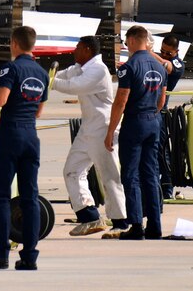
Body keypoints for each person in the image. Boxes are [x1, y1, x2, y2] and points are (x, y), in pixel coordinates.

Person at [0, 26, 48, 271]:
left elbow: (2, 100)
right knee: (30, 197)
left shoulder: (11, 68)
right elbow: (38, 111)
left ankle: (0, 255)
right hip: (30, 135)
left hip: (10, 136)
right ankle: (29, 255)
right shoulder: (41, 72)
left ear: (14, 44)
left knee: (1, 196)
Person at [53, 36, 127, 236]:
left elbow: (73, 86)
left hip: (103, 128)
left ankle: (120, 221)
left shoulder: (98, 70)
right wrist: (45, 76)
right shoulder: (81, 67)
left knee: (109, 175)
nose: (74, 51)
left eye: (77, 48)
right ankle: (89, 216)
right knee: (72, 170)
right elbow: (65, 75)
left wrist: (49, 81)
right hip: (88, 128)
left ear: (87, 49)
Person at [104, 25, 167, 240]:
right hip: (153, 121)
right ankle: (155, 225)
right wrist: (152, 114)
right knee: (150, 173)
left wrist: (111, 130)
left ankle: (136, 225)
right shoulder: (159, 67)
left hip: (135, 122)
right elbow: (162, 100)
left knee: (130, 175)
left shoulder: (128, 67)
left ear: (131, 41)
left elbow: (121, 100)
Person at [156, 34, 185, 199]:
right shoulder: (158, 58)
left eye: (169, 53)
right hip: (147, 111)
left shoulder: (178, 64)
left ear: (176, 52)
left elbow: (167, 65)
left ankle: (167, 188)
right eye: (162, 51)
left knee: (162, 150)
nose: (164, 55)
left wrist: (146, 52)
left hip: (161, 111)